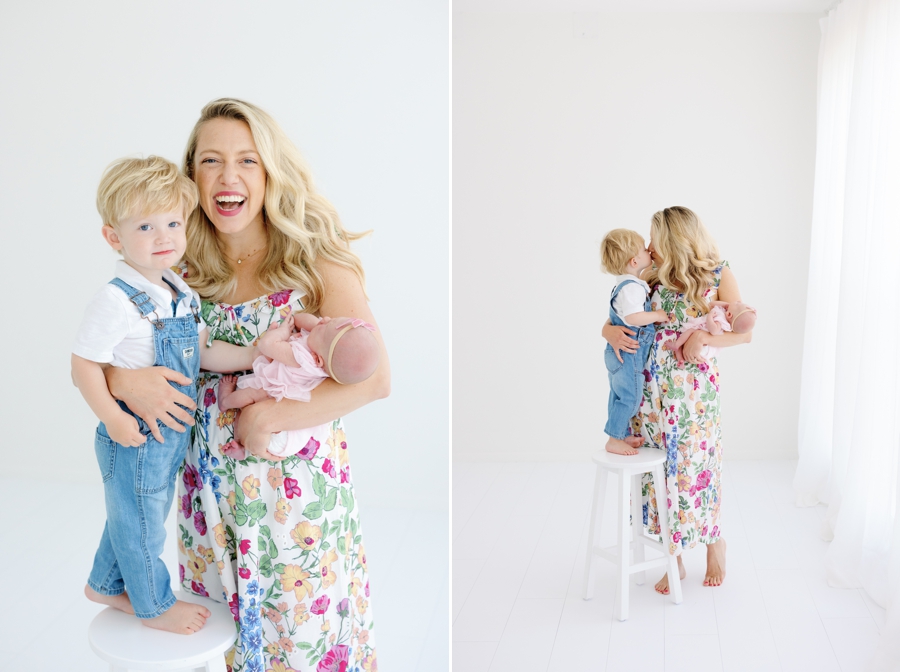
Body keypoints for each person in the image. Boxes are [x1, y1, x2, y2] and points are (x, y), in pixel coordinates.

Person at [102, 99, 389, 672]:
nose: (228, 176)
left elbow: (376, 378)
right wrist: (124, 381)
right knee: (225, 649)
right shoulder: (175, 265)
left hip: (296, 510)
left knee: (307, 647)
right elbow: (113, 347)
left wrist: (271, 416)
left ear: (270, 172)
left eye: (247, 160)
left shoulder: (313, 260)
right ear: (191, 176)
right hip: (207, 503)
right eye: (211, 160)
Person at [73, 156, 264, 634]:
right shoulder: (117, 300)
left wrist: (256, 353)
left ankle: (105, 584)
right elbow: (83, 365)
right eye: (145, 227)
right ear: (113, 237)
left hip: (168, 437)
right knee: (142, 525)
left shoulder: (179, 291)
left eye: (173, 224)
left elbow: (202, 352)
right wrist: (113, 418)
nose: (164, 237)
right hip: (135, 435)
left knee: (133, 514)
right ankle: (154, 605)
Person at [603, 206, 752, 593]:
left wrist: (703, 337)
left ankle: (714, 542)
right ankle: (675, 559)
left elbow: (745, 333)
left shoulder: (718, 273)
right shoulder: (650, 276)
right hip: (651, 393)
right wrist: (608, 332)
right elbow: (620, 315)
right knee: (659, 475)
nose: (649, 245)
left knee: (694, 469)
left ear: (674, 238)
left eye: (654, 237)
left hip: (693, 397)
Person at [217, 311, 380, 459]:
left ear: (317, 359)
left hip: (279, 431)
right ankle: (240, 447)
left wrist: (282, 332)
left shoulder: (303, 358)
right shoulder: (323, 360)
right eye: (330, 319)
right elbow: (300, 319)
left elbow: (266, 345)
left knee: (251, 395)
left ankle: (225, 401)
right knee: (251, 413)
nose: (325, 318)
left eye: (325, 326)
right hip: (294, 435)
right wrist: (321, 327)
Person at [598, 228, 669, 456]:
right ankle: (613, 439)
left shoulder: (627, 285)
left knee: (617, 395)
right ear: (634, 261)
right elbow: (633, 318)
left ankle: (617, 434)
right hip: (628, 354)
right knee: (630, 397)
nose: (649, 250)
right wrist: (657, 315)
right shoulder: (632, 287)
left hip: (619, 353)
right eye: (643, 249)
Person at [663, 300, 757, 363]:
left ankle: (677, 344)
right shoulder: (724, 313)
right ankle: (680, 360)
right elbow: (712, 304)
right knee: (685, 344)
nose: (738, 301)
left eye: (737, 304)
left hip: (704, 346)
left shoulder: (722, 321)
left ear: (729, 314)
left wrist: (710, 317)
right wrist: (725, 305)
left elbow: (714, 331)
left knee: (689, 331)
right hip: (700, 342)